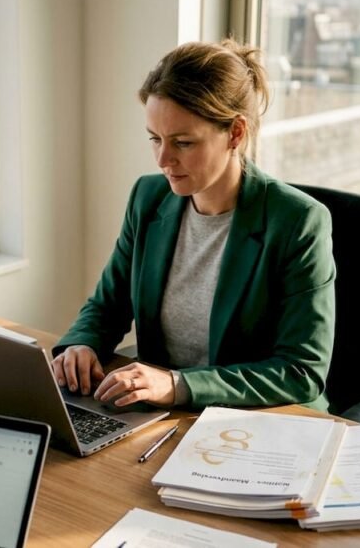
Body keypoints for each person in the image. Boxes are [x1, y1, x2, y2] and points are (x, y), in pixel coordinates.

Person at [51, 39, 336, 411]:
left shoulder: (297, 221)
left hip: (259, 422)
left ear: (235, 133)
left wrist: (178, 384)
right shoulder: (148, 198)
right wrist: (82, 344)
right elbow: (108, 305)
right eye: (155, 139)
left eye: (183, 143)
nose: (163, 159)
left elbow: (301, 371)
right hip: (165, 415)